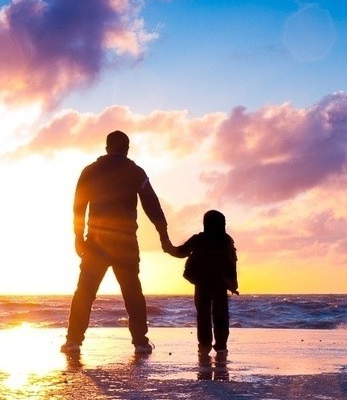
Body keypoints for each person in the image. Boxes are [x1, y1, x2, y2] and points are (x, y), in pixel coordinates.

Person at [63, 129, 171, 355]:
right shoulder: (135, 172)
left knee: (85, 292)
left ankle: (73, 341)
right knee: (132, 292)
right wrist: (163, 236)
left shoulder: (90, 171)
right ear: (127, 148)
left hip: (96, 242)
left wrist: (77, 236)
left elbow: (79, 206)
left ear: (106, 148)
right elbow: (152, 205)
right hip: (125, 243)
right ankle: (140, 342)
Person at [167, 209, 238, 353]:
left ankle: (205, 345)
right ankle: (221, 346)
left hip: (202, 281)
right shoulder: (226, 240)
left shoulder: (199, 239)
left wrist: (168, 248)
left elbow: (181, 252)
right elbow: (232, 263)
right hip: (220, 282)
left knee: (204, 313)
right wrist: (233, 283)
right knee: (221, 314)